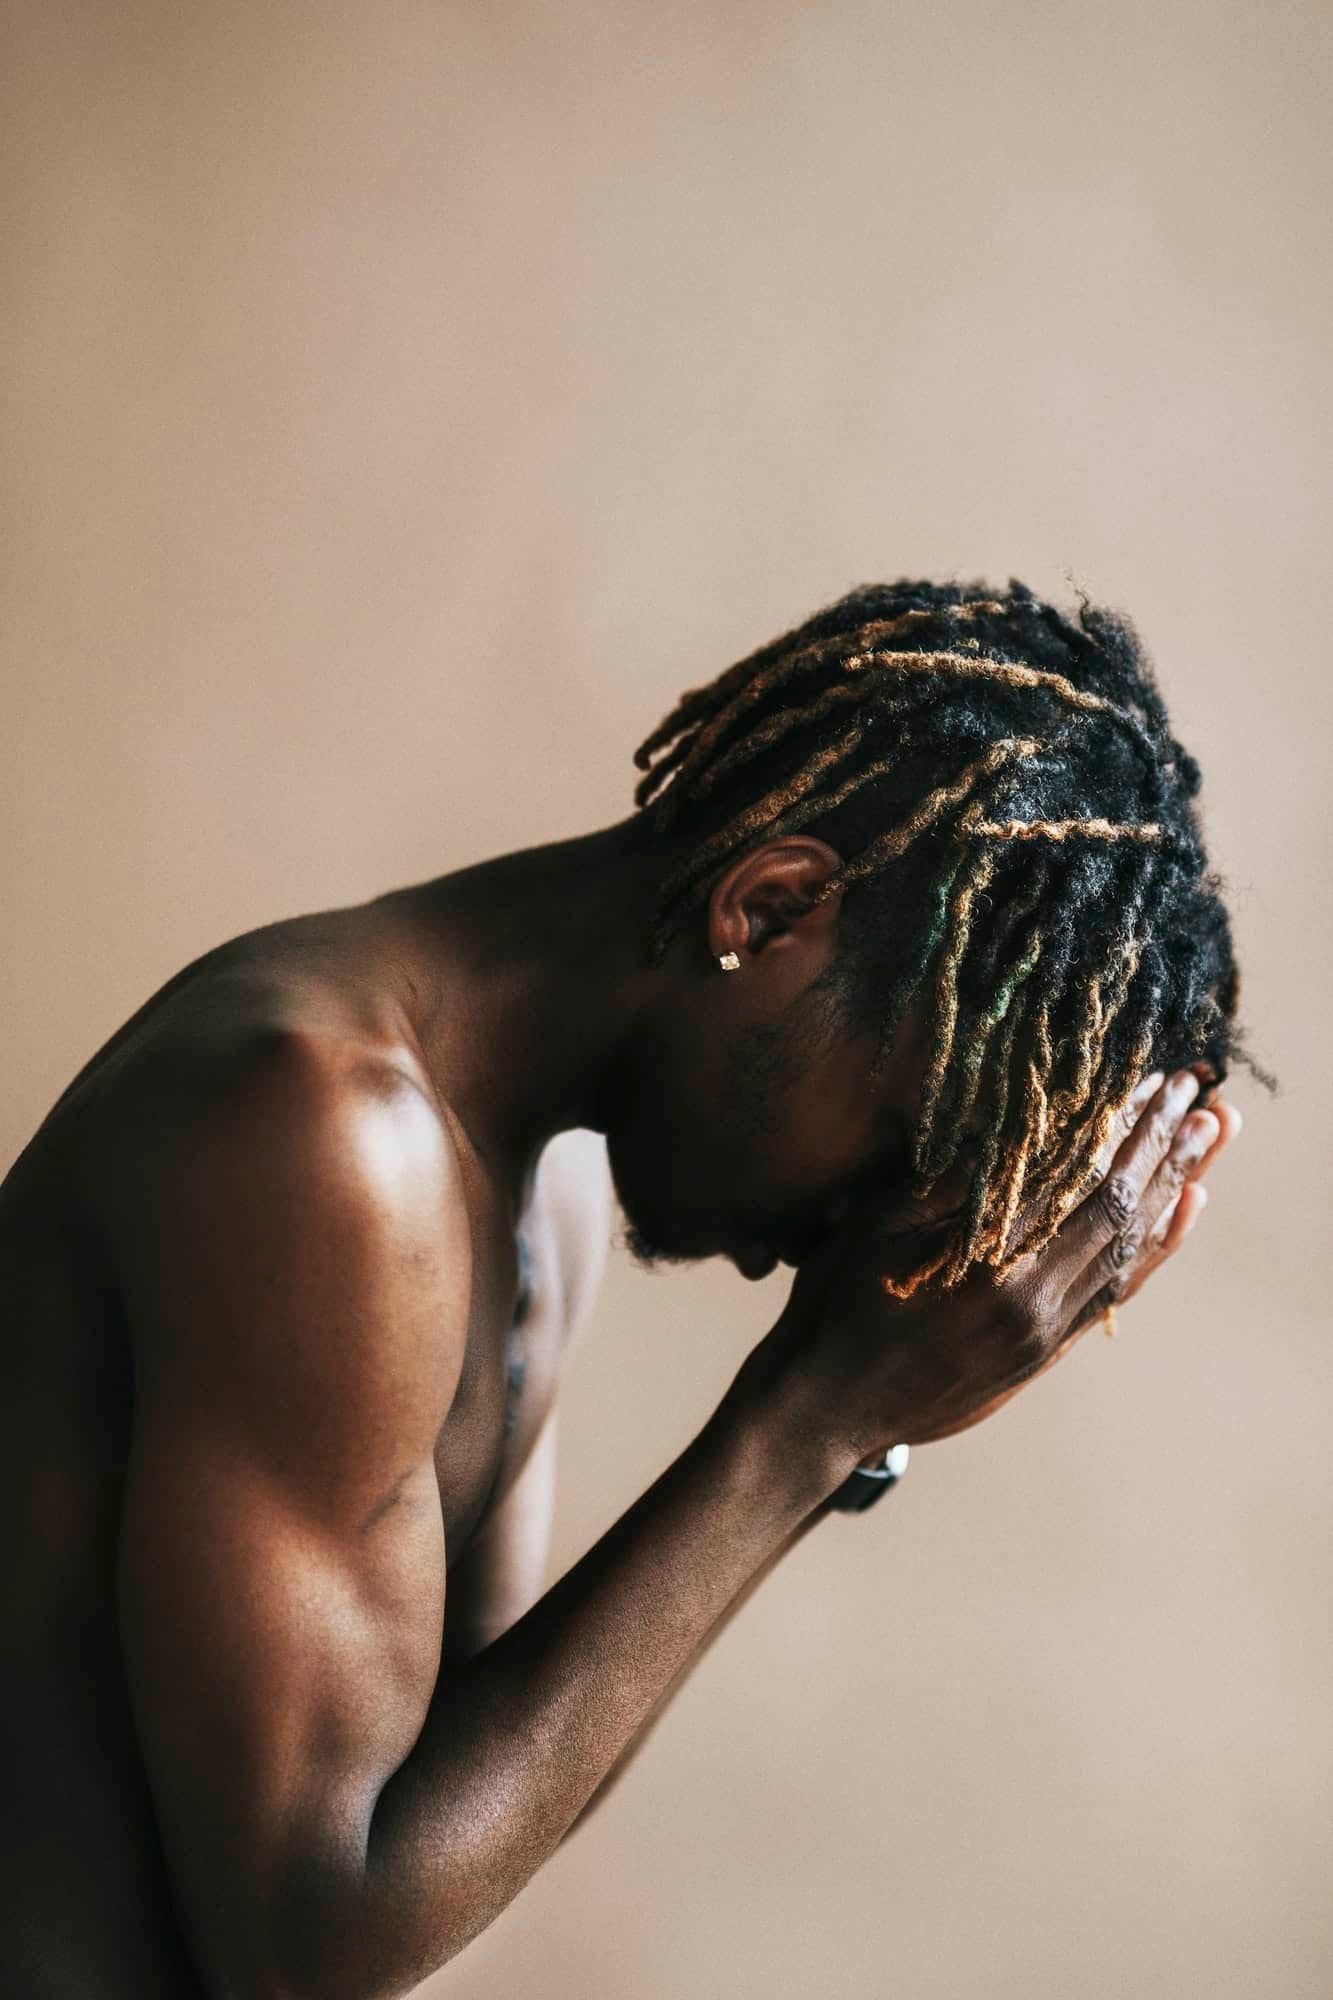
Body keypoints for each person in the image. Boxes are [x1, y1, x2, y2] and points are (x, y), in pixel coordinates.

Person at [2, 579, 1247, 1996]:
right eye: (892, 1154)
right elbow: (311, 1943)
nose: (840, 1242)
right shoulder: (324, 1135)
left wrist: (841, 1425)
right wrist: (810, 1421)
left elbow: (459, 1817)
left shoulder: (549, 1188)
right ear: (770, 911)